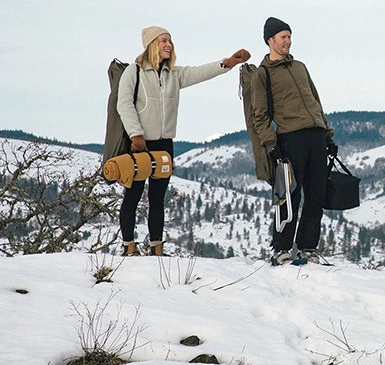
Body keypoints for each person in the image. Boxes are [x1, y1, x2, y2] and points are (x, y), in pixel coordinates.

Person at [117, 26, 250, 256]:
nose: (168, 45)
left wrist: (227, 63)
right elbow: (124, 104)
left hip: (164, 144)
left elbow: (199, 73)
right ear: (151, 45)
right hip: (139, 144)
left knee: (158, 199)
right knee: (133, 195)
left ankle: (156, 247)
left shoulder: (173, 74)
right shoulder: (134, 72)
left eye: (170, 41)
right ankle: (129, 245)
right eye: (163, 41)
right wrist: (135, 135)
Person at [252, 17, 336, 265]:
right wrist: (271, 144)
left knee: (316, 195)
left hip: (316, 136)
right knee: (289, 197)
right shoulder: (263, 74)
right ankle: (281, 250)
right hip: (290, 139)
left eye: (289, 36)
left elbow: (315, 101)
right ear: (270, 40)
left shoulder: (300, 67)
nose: (288, 41)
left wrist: (327, 134)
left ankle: (308, 248)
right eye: (283, 37)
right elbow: (260, 115)